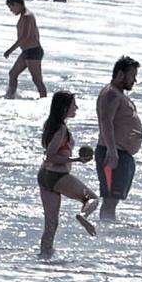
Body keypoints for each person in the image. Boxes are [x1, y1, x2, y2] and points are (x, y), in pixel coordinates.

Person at [36, 89, 100, 259]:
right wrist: (76, 160)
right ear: (64, 108)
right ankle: (83, 215)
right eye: (73, 105)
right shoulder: (62, 129)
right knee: (92, 198)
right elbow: (51, 155)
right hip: (57, 176)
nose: (76, 108)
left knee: (51, 224)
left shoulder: (50, 124)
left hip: (45, 175)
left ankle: (44, 256)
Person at [94, 56, 142, 223]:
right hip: (113, 153)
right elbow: (105, 121)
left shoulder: (119, 94)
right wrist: (112, 150)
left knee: (113, 201)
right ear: (121, 75)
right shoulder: (111, 94)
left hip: (122, 154)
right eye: (132, 76)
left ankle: (109, 228)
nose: (135, 80)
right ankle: (105, 235)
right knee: (109, 200)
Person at [2, 0, 47, 98]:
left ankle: (44, 100)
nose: (11, 11)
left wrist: (10, 50)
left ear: (17, 4)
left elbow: (25, 37)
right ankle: (10, 96)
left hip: (33, 51)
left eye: (11, 7)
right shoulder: (23, 15)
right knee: (13, 73)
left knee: (37, 79)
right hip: (26, 51)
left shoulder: (27, 16)